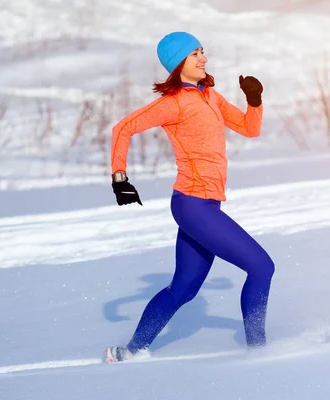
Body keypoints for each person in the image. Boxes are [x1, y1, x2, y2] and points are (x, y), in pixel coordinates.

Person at [103, 31, 275, 363]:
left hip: (205, 205)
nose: (204, 58)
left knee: (183, 289)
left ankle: (130, 352)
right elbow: (122, 129)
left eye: (203, 51)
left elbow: (249, 128)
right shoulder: (174, 103)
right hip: (192, 205)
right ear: (179, 62)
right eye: (196, 53)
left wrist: (254, 101)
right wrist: (119, 178)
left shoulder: (209, 96)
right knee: (261, 267)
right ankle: (259, 352)